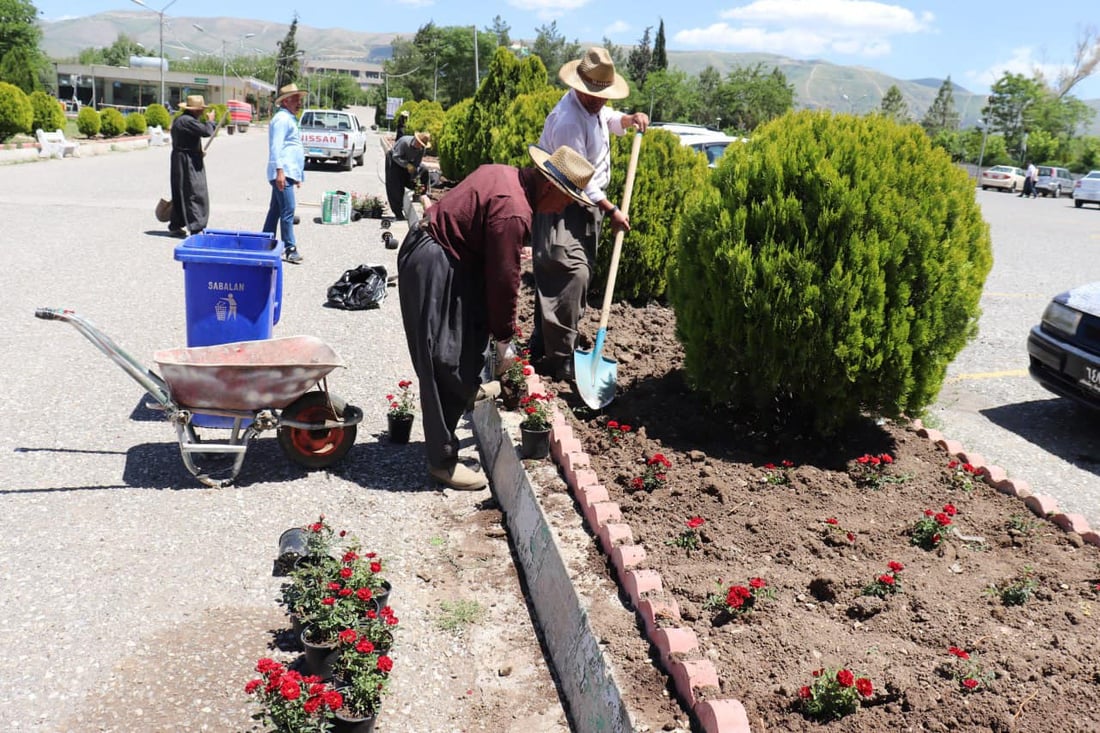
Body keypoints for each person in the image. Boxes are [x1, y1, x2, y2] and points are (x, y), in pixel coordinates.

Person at [397, 144, 595, 491]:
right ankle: (442, 462)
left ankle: (466, 389)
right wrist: (504, 340)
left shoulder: (503, 174)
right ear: (549, 186)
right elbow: (505, 281)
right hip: (433, 262)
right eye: (566, 199)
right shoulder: (514, 212)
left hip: (445, 254)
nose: (563, 208)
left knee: (466, 335)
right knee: (441, 359)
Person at [529, 47, 649, 382]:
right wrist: (612, 210)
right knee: (570, 273)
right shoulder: (568, 121)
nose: (600, 101)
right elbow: (579, 179)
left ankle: (541, 343)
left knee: (566, 275)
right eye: (594, 95)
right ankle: (561, 357)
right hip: (562, 201)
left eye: (603, 95)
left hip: (583, 205)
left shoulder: (591, 105)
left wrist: (627, 120)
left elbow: (605, 117)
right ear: (579, 87)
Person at [263, 83, 308, 264]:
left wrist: (297, 175)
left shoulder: (288, 118)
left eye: (299, 99)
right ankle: (290, 248)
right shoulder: (282, 119)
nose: (299, 103)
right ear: (286, 101)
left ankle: (265, 243)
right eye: (296, 99)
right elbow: (276, 147)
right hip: (282, 172)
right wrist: (280, 171)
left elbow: (292, 148)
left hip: (288, 172)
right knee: (288, 210)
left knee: (275, 210)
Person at [168, 94, 216, 237]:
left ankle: (176, 225)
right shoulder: (187, 121)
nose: (202, 111)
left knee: (181, 191)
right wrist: (210, 121)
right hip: (186, 160)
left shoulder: (182, 120)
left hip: (183, 157)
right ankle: (196, 227)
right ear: (195, 110)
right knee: (194, 191)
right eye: (201, 109)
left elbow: (188, 139)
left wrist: (197, 151)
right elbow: (206, 131)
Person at [384, 130, 431, 221]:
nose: (420, 147)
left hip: (408, 163)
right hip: (394, 161)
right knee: (395, 186)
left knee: (424, 171)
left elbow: (417, 163)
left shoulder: (421, 149)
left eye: (422, 145)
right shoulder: (404, 142)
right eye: (419, 144)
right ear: (416, 140)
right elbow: (396, 156)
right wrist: (407, 165)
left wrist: (414, 176)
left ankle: (417, 194)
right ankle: (398, 213)